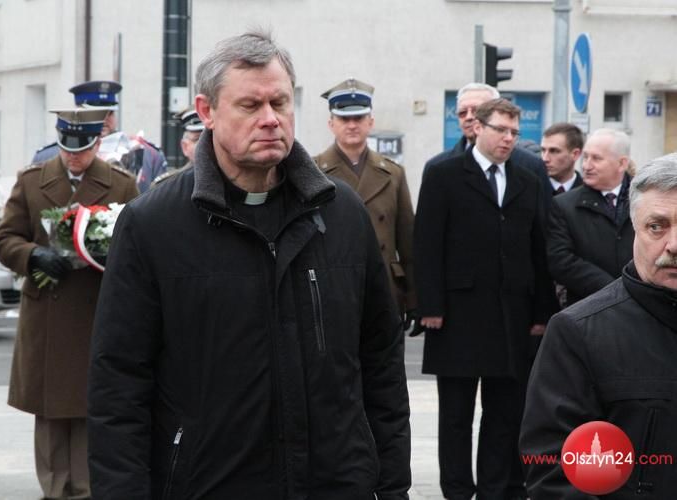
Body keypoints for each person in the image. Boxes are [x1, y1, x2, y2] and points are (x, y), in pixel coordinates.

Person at [88, 30, 411, 499]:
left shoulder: (341, 214)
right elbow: (118, 384)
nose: (270, 119)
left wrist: (393, 487)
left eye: (280, 103)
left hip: (335, 483)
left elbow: (381, 362)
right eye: (250, 105)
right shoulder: (152, 225)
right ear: (207, 111)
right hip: (208, 484)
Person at [414, 98, 557, 499]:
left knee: (504, 413)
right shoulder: (443, 174)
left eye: (515, 132)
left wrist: (541, 312)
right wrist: (430, 307)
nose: (509, 139)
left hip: (511, 314)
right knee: (456, 415)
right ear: (478, 128)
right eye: (501, 130)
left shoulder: (527, 179)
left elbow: (538, 249)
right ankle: (458, 490)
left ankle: (495, 489)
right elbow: (427, 242)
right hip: (457, 314)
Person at [0, 108, 139, 500]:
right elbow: (5, 238)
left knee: (93, 407)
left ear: (97, 143)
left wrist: (105, 254)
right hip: (48, 313)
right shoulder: (32, 181)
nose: (74, 156)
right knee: (51, 411)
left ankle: (86, 490)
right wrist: (33, 256)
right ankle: (54, 490)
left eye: (83, 149)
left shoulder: (121, 185)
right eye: (67, 148)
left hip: (96, 309)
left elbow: (141, 243)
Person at [521, 153, 677, 497]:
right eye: (657, 226)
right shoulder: (577, 332)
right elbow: (554, 472)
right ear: (633, 229)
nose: (674, 245)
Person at [313, 78, 417, 329]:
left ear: (370, 122)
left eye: (358, 118)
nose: (352, 125)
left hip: (386, 289)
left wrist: (414, 299)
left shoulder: (393, 173)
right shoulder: (314, 172)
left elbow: (408, 243)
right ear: (331, 124)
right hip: (334, 287)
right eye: (344, 119)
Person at [546, 128, 634, 306]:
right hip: (589, 308)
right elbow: (561, 261)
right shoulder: (563, 205)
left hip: (641, 304)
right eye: (585, 157)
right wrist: (614, 291)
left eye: (596, 158)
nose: (586, 166)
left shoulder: (646, 200)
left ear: (622, 164)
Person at [424, 82, 553, 203]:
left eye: (476, 110)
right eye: (462, 113)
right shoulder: (437, 167)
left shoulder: (531, 166)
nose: (469, 117)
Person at [32, 80, 168, 192]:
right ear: (78, 111)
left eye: (110, 113)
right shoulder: (48, 155)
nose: (103, 120)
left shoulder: (147, 154)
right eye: (95, 113)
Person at [151, 107, 205, 186]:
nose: (206, 143)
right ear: (185, 147)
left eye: (212, 138)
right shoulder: (167, 185)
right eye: (197, 139)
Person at [540, 122, 584, 195]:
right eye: (543, 150)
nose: (545, 159)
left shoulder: (591, 194)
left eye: (554, 151)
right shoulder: (530, 190)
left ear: (575, 154)